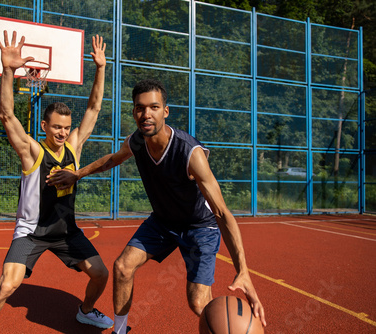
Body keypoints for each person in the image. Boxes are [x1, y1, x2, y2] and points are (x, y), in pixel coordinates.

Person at [47, 79, 267, 334]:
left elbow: (221, 213)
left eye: (153, 107)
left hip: (200, 227)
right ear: (134, 112)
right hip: (163, 221)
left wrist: (243, 271)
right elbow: (111, 160)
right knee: (122, 267)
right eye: (140, 108)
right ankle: (120, 331)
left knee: (198, 305)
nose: (146, 114)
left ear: (165, 111)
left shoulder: (189, 153)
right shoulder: (137, 141)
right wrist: (77, 173)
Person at [0, 31, 113, 334]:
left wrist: (101, 68)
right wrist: (8, 71)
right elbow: (7, 116)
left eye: (66, 128)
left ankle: (85, 312)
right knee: (7, 285)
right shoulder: (33, 152)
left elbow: (94, 108)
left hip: (66, 232)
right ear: (45, 126)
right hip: (31, 233)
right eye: (56, 127)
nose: (62, 133)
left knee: (101, 274)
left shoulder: (74, 147)